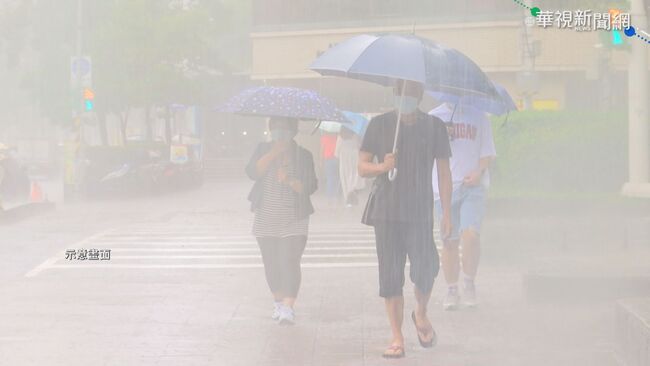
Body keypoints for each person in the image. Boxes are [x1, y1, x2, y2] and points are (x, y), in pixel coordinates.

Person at [358, 81, 452, 358]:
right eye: (400, 93)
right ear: (393, 94)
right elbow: (362, 167)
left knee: (427, 268)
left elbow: (444, 172)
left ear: (419, 96)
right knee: (390, 275)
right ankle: (397, 336)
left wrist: (447, 213)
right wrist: (382, 166)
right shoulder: (379, 125)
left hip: (420, 211)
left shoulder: (434, 127)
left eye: (410, 94)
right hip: (387, 212)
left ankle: (420, 313)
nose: (404, 98)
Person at [245, 117, 318, 325]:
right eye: (275, 127)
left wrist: (290, 180)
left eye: (285, 128)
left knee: (290, 260)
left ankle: (288, 306)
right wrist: (273, 153)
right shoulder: (262, 149)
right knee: (271, 262)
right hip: (266, 215)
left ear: (293, 131)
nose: (280, 132)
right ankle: (277, 302)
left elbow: (310, 187)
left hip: (294, 218)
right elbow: (252, 172)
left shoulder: (303, 155)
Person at [430, 103, 497, 310]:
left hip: (473, 186)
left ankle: (469, 283)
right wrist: (441, 136)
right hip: (444, 188)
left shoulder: (480, 116)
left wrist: (480, 171)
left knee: (471, 235)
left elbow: (487, 153)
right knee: (449, 241)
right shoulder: (434, 117)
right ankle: (452, 289)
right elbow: (426, 151)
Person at [335, 127, 365, 207]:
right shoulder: (355, 136)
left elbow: (337, 153)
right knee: (353, 177)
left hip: (344, 160)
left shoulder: (340, 137)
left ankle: (348, 201)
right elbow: (360, 147)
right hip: (355, 158)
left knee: (345, 179)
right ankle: (353, 198)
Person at [320, 131, 339, 205]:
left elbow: (322, 149)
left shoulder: (324, 137)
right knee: (337, 178)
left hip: (328, 160)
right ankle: (336, 196)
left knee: (330, 178)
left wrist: (321, 160)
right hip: (336, 159)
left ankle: (329, 198)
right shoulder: (337, 137)